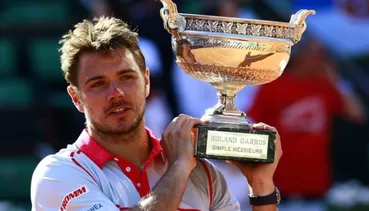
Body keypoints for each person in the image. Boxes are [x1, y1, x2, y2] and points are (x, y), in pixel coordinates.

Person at [30, 16, 283, 211]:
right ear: (76, 98)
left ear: (147, 82)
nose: (115, 92)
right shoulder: (58, 173)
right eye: (98, 84)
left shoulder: (203, 174)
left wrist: (260, 187)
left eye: (126, 77)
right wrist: (179, 167)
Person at [246, 37, 367, 210]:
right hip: (279, 186)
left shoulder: (324, 86)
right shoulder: (273, 86)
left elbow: (358, 114)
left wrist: (335, 80)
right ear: (301, 56)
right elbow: (252, 122)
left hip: (314, 185)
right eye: (318, 55)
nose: (324, 60)